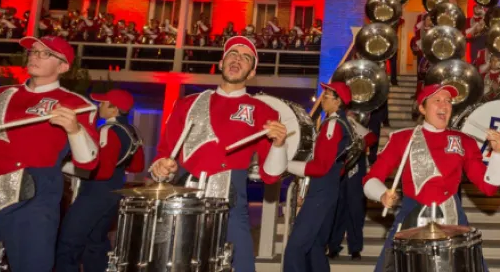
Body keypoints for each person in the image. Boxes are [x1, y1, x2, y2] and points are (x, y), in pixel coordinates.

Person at [0, 35, 101, 271]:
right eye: (33, 51)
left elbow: (88, 162)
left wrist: (74, 129)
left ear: (63, 66)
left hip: (36, 193)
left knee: (32, 266)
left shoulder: (74, 103)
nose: (35, 56)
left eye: (46, 54)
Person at [149, 36, 290, 272]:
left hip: (231, 200)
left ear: (252, 72)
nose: (237, 59)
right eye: (233, 54)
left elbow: (271, 176)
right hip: (183, 199)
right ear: (221, 61)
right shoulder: (188, 104)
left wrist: (279, 144)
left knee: (241, 266)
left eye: (246, 58)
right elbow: (164, 154)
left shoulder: (264, 110)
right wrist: (160, 167)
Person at [363, 84, 500, 272]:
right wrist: (382, 194)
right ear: (422, 108)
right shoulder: (402, 138)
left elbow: (490, 188)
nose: (444, 105)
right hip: (411, 214)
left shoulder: (465, 141)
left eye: (448, 101)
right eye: (437, 100)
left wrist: (497, 153)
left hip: (453, 218)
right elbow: (370, 178)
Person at [55, 89, 146, 272]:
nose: (99, 106)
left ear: (114, 109)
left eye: (103, 103)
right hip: (115, 191)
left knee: (68, 242)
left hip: (95, 192)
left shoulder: (108, 130)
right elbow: (136, 166)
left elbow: (101, 171)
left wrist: (63, 167)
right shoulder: (132, 131)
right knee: (95, 243)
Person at [282, 81, 354, 272]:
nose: (324, 97)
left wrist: (286, 165)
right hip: (327, 191)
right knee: (314, 247)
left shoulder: (332, 125)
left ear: (338, 101)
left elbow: (321, 167)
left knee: (295, 248)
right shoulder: (341, 123)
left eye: (328, 94)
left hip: (321, 192)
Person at [326, 108, 378, 261]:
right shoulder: (336, 128)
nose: (349, 117)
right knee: (337, 212)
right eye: (347, 115)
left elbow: (371, 139)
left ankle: (355, 248)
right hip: (340, 175)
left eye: (352, 115)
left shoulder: (359, 131)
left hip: (356, 175)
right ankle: (333, 246)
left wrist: (354, 123)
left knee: (356, 213)